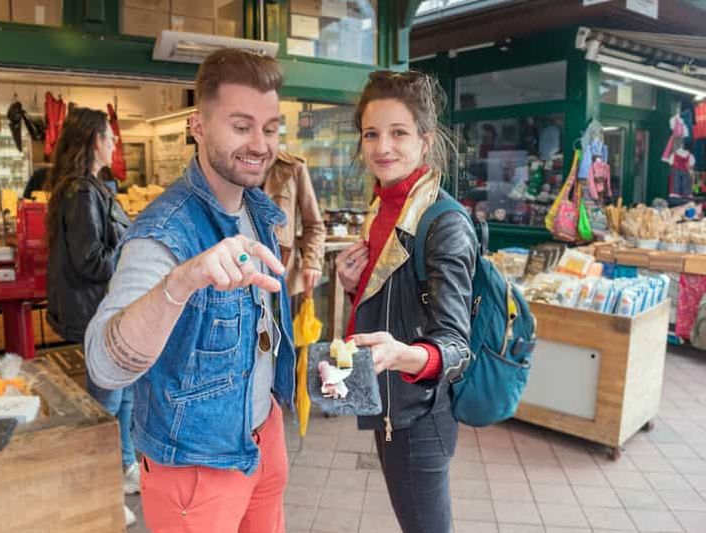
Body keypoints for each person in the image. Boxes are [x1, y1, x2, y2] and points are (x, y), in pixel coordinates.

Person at [85, 48, 295, 533]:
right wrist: (183, 281)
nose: (260, 144)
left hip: (265, 435)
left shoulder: (257, 209)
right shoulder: (163, 233)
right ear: (198, 126)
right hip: (197, 466)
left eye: (270, 127)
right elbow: (103, 363)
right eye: (241, 126)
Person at [336, 70, 477, 533]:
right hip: (388, 399)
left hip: (420, 412)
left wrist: (400, 353)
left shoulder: (444, 223)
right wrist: (354, 286)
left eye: (398, 133)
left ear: (425, 139)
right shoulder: (383, 207)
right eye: (371, 134)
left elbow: (456, 345)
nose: (382, 148)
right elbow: (397, 301)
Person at [43, 107, 137, 527]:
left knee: (126, 391)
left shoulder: (91, 188)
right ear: (95, 141)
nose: (115, 142)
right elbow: (92, 262)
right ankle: (100, 492)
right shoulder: (82, 193)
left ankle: (127, 466)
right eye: (110, 136)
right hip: (94, 312)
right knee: (107, 404)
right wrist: (132, 244)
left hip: (106, 309)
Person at [264, 151, 326, 296]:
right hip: (240, 273)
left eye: (268, 130)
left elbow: (314, 225)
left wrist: (312, 261)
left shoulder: (292, 167)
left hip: (281, 273)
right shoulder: (233, 166)